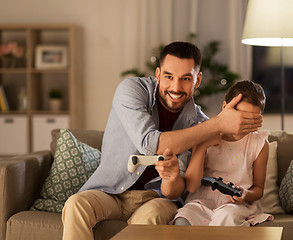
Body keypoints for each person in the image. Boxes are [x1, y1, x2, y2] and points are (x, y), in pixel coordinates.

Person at [61, 42, 263, 240]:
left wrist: (172, 176)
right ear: (158, 74)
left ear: (198, 80)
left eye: (186, 78)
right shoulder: (132, 91)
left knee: (151, 217)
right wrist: (218, 123)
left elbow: (177, 190)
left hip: (156, 199)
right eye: (168, 76)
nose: (176, 87)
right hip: (109, 191)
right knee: (76, 204)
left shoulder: (199, 123)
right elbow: (150, 144)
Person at [173, 80, 273, 226]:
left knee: (226, 217)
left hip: (235, 206)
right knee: (183, 219)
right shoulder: (204, 132)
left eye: (252, 119)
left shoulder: (259, 144)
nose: (244, 124)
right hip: (201, 202)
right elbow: (191, 186)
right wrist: (202, 145)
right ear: (225, 107)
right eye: (241, 116)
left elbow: (258, 189)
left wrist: (245, 194)